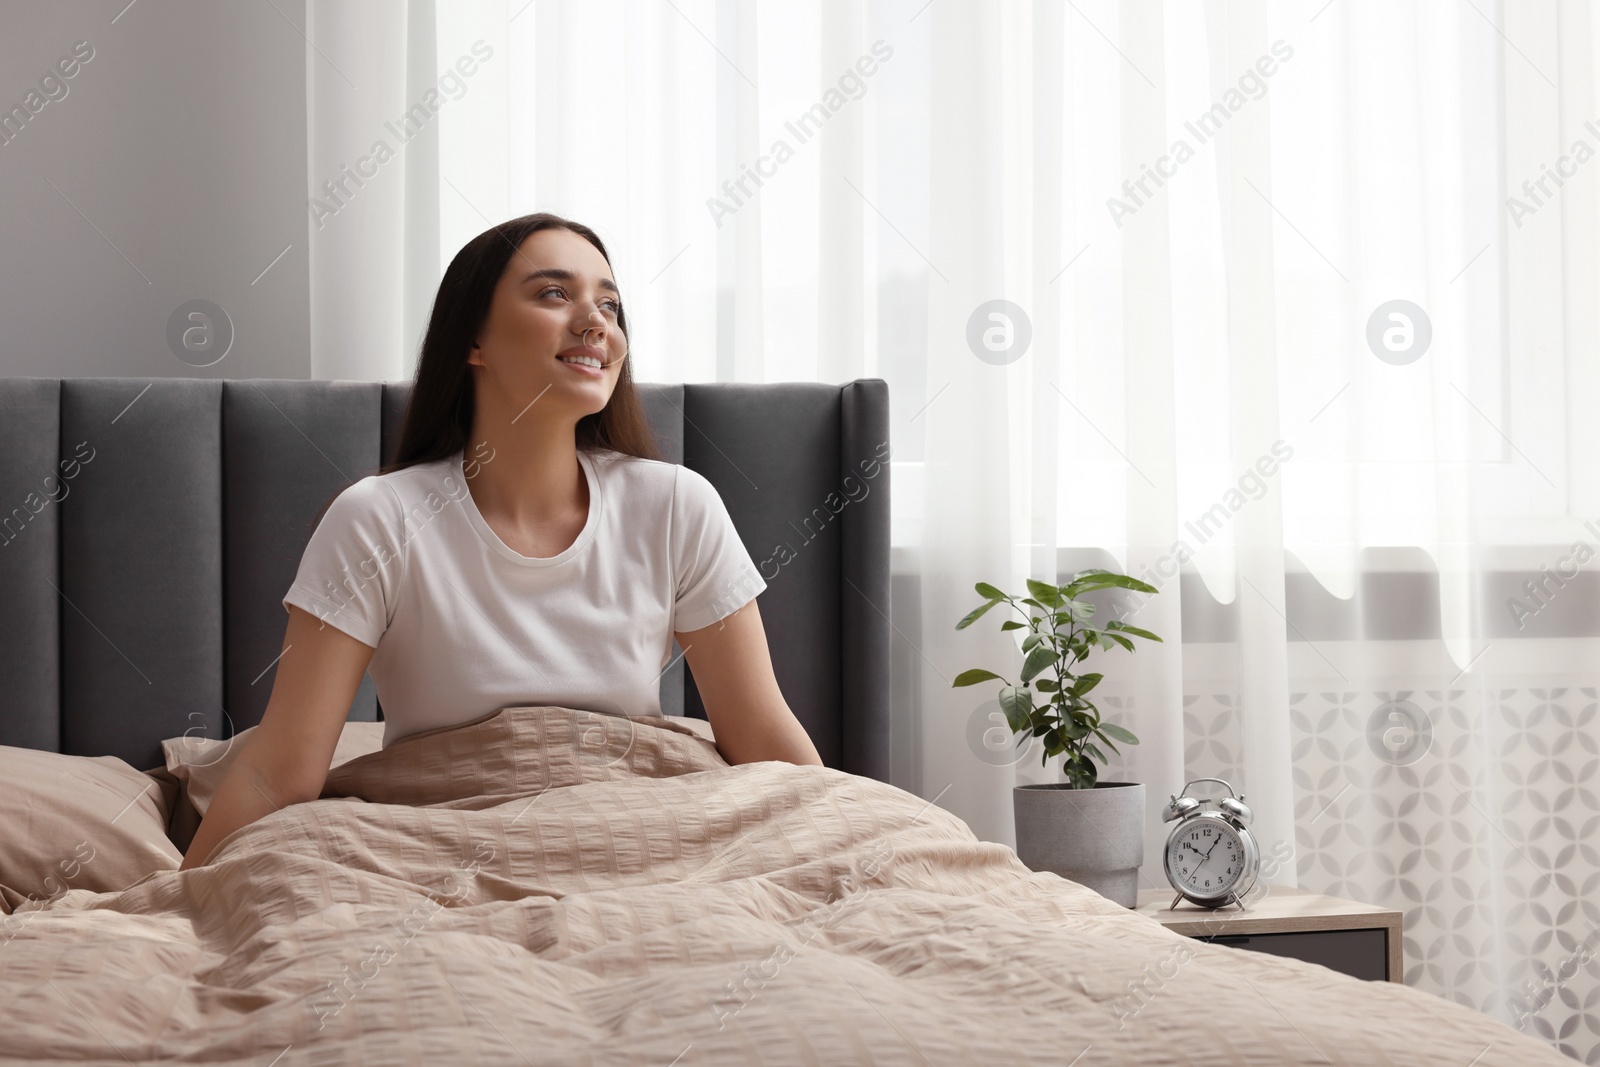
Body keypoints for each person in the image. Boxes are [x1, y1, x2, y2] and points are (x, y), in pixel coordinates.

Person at [180, 213, 822, 870]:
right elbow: (279, 772)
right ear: (474, 340)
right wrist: (169, 904)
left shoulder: (677, 505)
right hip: (437, 848)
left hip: (643, 839)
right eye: (553, 293)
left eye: (609, 303)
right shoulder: (377, 519)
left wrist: (848, 836)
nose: (595, 320)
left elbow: (763, 737)